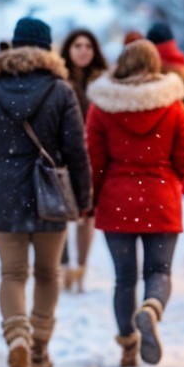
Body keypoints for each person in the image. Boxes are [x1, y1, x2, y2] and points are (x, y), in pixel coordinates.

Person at [0, 17, 91, 367]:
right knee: (48, 272)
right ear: (48, 49)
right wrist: (83, 199)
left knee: (12, 273)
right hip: (49, 191)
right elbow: (76, 151)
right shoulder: (61, 90)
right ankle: (38, 344)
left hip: (0, 189)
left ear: (13, 45)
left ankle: (17, 337)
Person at [86, 40, 184, 367]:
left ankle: (127, 344)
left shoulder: (103, 106)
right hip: (161, 197)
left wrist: (93, 196)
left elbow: (94, 160)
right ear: (155, 65)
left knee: (123, 279)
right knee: (159, 270)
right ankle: (151, 308)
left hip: (117, 199)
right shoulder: (173, 105)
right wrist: (175, 181)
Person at [57, 27, 107, 292]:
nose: (83, 51)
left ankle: (81, 268)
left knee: (88, 216)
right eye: (78, 45)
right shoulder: (59, 80)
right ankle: (64, 265)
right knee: (63, 213)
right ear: (69, 49)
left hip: (94, 157)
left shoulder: (105, 83)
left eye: (88, 46)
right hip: (65, 156)